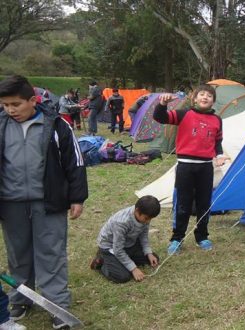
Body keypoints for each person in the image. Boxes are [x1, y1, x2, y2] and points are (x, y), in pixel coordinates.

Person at [0, 75, 88, 329]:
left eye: (15, 104)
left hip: (48, 201)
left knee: (51, 252)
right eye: (5, 105)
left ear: (32, 100)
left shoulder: (57, 125)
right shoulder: (2, 124)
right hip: (10, 201)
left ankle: (57, 304)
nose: (10, 110)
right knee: (18, 253)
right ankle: (20, 298)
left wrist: (77, 197)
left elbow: (75, 161)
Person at [153, 85, 228, 255]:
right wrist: (162, 104)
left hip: (206, 167)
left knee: (204, 203)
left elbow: (217, 141)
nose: (205, 97)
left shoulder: (217, 119)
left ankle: (202, 236)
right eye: (202, 94)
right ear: (195, 98)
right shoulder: (184, 114)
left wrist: (220, 155)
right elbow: (160, 117)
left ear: (213, 101)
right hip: (185, 166)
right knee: (183, 204)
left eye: (209, 95)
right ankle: (177, 238)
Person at [90, 196, 161, 283]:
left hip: (128, 243)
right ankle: (101, 261)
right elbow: (118, 249)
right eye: (146, 218)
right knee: (123, 276)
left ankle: (123, 260)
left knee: (154, 258)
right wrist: (134, 269)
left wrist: (148, 253)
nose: (147, 221)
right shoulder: (121, 222)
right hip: (111, 247)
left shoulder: (144, 215)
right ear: (137, 211)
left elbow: (143, 235)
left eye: (150, 219)